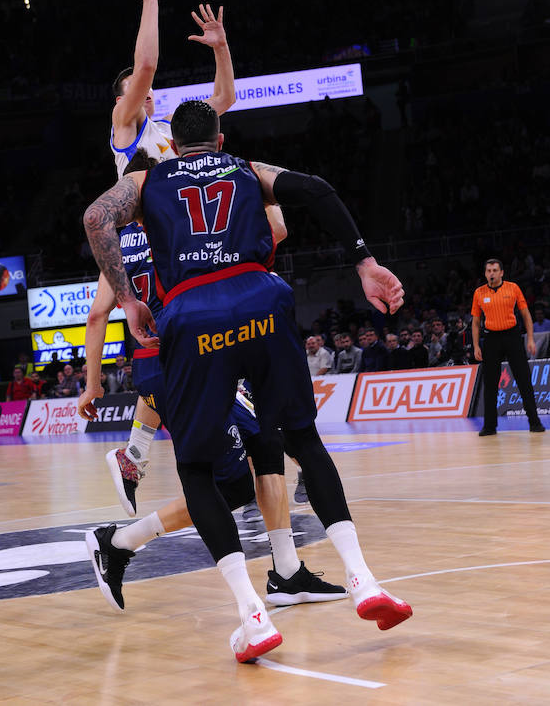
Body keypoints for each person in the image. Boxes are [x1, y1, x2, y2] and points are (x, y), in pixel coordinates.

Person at [83, 99, 412, 663]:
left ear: (171, 143)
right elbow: (316, 190)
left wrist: (133, 300)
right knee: (298, 441)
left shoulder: (146, 181)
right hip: (262, 303)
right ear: (219, 135)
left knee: (199, 471)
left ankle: (253, 614)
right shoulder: (246, 169)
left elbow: (94, 219)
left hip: (192, 320)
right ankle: (364, 580)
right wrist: (364, 262)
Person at [78, 149, 345, 609]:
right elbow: (278, 230)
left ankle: (286, 570)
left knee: (264, 445)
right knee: (237, 479)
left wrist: (93, 382)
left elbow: (99, 313)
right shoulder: (184, 233)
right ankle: (118, 541)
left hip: (178, 359)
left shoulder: (120, 244)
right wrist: (256, 192)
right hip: (183, 361)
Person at [110, 0, 236, 179]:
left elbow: (225, 99)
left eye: (149, 87)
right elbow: (146, 67)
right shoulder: (123, 121)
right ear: (120, 102)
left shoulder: (171, 123)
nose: (145, 89)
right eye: (135, 85)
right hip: (145, 214)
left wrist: (221, 47)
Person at [471, 258, 546, 436]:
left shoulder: (513, 288)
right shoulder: (479, 293)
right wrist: (475, 346)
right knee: (490, 384)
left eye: (495, 270)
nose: (492, 274)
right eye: (488, 271)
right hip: (491, 339)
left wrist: (530, 339)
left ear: (502, 272)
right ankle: (489, 426)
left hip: (512, 337)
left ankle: (534, 422)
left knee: (524, 380)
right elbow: (475, 322)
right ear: (485, 273)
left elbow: (526, 314)